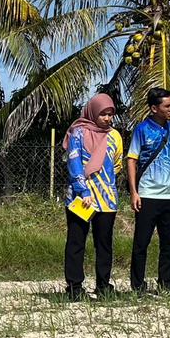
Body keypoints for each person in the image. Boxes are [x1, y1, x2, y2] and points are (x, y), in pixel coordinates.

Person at [64, 93, 122, 300]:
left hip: (106, 197)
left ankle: (104, 284)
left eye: (110, 114)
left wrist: (103, 184)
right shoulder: (77, 133)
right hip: (81, 197)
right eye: (103, 114)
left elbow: (117, 164)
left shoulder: (115, 135)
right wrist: (84, 190)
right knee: (76, 241)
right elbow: (74, 162)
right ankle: (74, 287)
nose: (107, 119)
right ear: (92, 112)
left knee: (104, 242)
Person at [127, 88, 170, 295]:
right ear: (153, 108)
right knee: (142, 242)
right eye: (167, 106)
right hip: (148, 194)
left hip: (169, 195)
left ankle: (165, 282)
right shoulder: (141, 130)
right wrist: (134, 192)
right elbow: (132, 160)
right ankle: (138, 285)